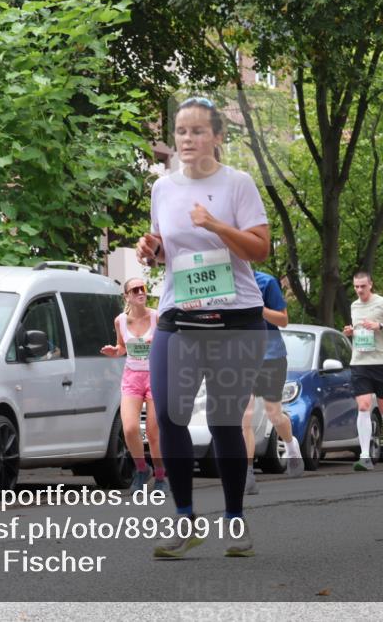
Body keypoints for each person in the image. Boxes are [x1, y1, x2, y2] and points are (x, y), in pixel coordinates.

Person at [137, 96, 270, 559]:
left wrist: (214, 224)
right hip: (179, 315)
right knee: (168, 415)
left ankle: (234, 519)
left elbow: (259, 250)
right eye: (181, 131)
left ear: (217, 136)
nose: (187, 139)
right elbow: (167, 252)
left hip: (236, 319)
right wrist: (152, 250)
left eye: (197, 131)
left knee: (223, 421)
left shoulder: (237, 184)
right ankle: (185, 519)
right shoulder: (163, 188)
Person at [100, 277, 167, 494]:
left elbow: (170, 344)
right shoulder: (120, 320)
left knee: (153, 431)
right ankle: (141, 469)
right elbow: (122, 346)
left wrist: (157, 344)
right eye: (135, 289)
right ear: (127, 296)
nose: (140, 292)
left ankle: (160, 477)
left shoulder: (157, 317)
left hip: (156, 376)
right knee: (129, 428)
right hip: (132, 377)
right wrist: (115, 351)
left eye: (143, 288)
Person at [243, 270, 304, 495]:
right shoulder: (225, 283)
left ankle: (290, 445)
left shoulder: (266, 282)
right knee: (245, 416)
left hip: (271, 357)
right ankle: (247, 474)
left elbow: (283, 320)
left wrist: (257, 308)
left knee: (274, 414)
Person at [342, 271, 383, 471]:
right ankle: (364, 455)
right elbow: (359, 330)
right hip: (360, 361)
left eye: (363, 286)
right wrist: (351, 332)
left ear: (371, 284)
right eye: (356, 287)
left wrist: (379, 325)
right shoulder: (354, 306)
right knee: (363, 405)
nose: (359, 290)